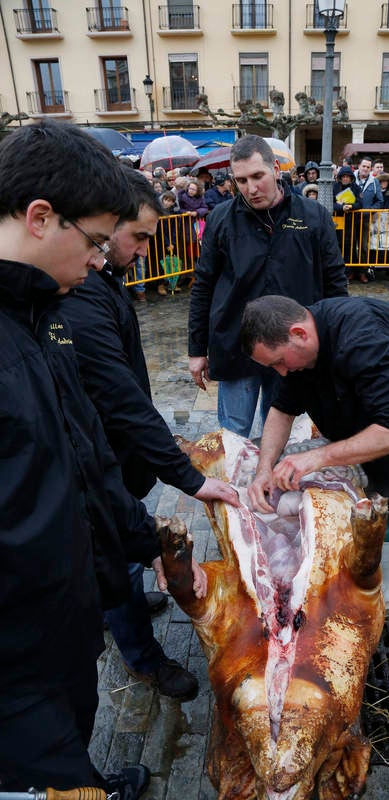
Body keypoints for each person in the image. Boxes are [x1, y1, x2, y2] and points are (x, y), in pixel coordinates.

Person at [0, 120, 177, 795]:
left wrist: (141, 540)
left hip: (67, 628)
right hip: (19, 666)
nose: (102, 260)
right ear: (42, 218)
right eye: (97, 241)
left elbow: (87, 454)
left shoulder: (41, 315)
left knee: (77, 733)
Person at [241, 294, 389, 684]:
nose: (281, 373)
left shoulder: (363, 338)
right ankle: (382, 597)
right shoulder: (299, 354)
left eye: (278, 363)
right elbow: (282, 409)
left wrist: (316, 458)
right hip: (379, 430)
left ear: (299, 333)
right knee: (380, 516)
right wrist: (263, 469)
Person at [62, 168, 238, 700]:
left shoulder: (104, 278)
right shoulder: (78, 295)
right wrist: (187, 476)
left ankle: (132, 597)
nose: (144, 251)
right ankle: (142, 656)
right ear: (105, 225)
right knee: (111, 549)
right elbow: (120, 399)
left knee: (127, 546)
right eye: (138, 236)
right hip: (97, 462)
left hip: (119, 453)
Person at [188, 134, 348, 438]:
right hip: (235, 346)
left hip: (292, 350)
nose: (251, 188)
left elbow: (335, 282)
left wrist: (336, 344)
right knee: (233, 437)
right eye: (242, 180)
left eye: (258, 176)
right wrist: (196, 349)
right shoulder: (221, 219)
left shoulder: (313, 216)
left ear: (276, 168)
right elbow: (203, 285)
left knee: (283, 436)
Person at [332, 165, 362, 279]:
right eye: (343, 177)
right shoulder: (334, 187)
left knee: (350, 246)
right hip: (338, 222)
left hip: (351, 222)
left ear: (351, 178)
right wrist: (341, 208)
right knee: (337, 246)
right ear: (340, 177)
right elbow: (331, 203)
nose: (345, 179)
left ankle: (350, 272)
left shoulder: (356, 188)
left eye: (347, 177)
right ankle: (339, 271)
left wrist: (351, 206)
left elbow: (360, 203)